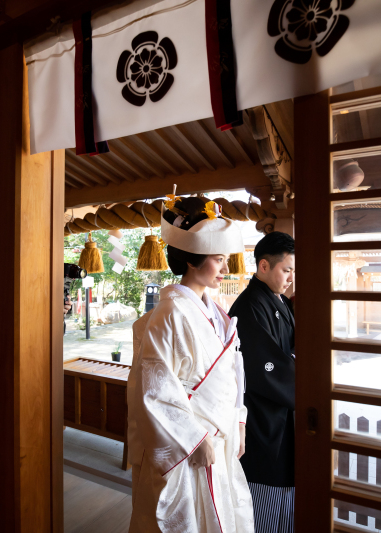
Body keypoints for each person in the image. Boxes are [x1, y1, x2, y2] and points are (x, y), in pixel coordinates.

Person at [127, 196, 253, 532]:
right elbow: (156, 387)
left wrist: (239, 419)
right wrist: (193, 439)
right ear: (194, 261)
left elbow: (232, 370)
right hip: (192, 441)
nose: (226, 269)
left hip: (221, 433)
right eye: (219, 259)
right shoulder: (170, 312)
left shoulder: (214, 311)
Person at [228, 232, 295, 533]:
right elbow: (264, 368)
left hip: (280, 415)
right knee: (262, 508)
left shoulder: (278, 300)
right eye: (287, 270)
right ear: (264, 266)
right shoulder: (249, 306)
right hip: (261, 419)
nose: (291, 277)